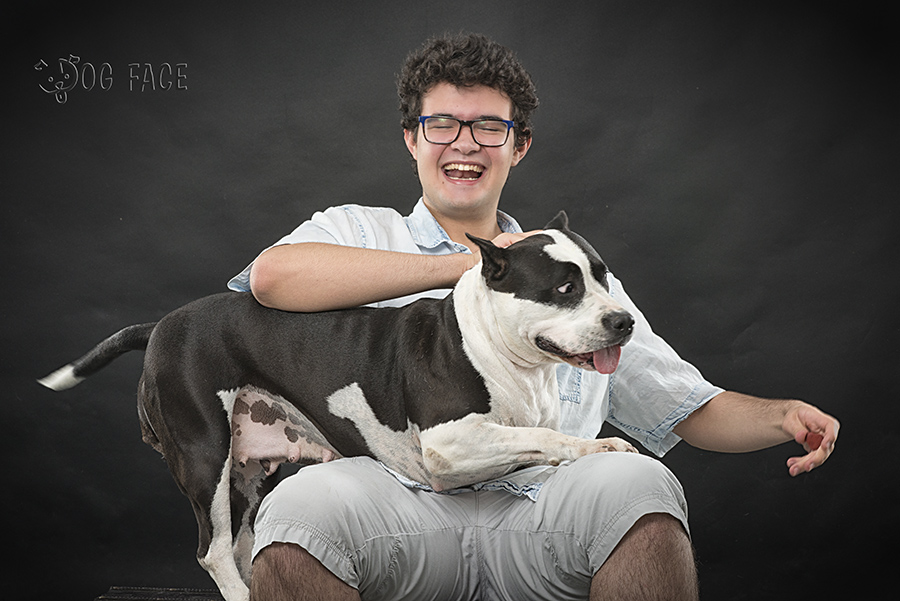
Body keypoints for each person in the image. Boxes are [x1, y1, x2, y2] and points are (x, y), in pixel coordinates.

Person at [227, 33, 839, 601]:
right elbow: (272, 279)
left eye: (489, 127)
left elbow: (685, 407)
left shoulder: (577, 276)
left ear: (518, 146)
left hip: (539, 511)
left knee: (642, 485)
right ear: (412, 139)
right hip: (394, 505)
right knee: (301, 508)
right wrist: (475, 267)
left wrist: (781, 416)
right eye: (442, 124)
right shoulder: (356, 232)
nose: (465, 143)